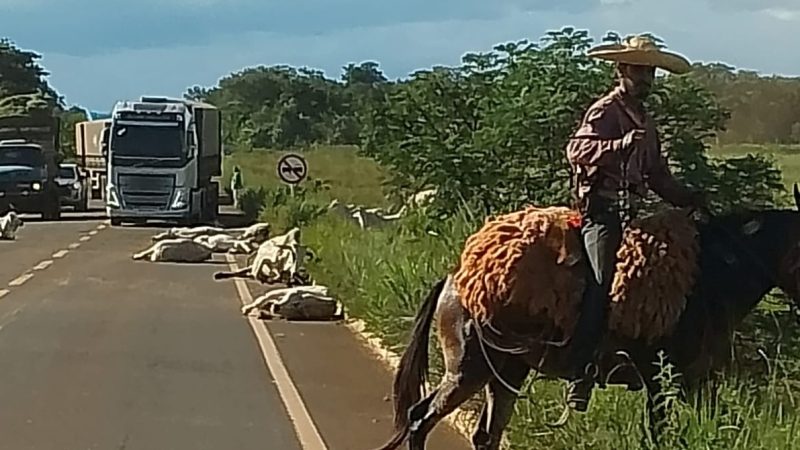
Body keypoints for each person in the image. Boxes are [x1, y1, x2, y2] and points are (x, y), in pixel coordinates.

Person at [563, 35, 708, 412]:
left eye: (650, 72)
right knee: (601, 283)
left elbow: (657, 175)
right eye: (639, 71)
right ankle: (580, 373)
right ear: (621, 70)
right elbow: (576, 150)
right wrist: (618, 145)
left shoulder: (648, 121)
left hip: (633, 215)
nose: (645, 79)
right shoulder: (606, 111)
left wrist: (687, 197)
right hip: (601, 214)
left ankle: (643, 359)